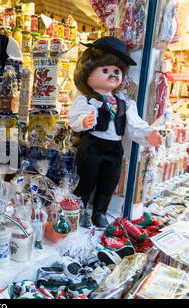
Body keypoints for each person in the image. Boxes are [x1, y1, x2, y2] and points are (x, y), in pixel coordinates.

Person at [69, 36, 162, 229]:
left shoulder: (124, 103)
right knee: (86, 181)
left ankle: (100, 212)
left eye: (116, 71)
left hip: (114, 149)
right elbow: (75, 120)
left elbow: (134, 125)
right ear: (87, 74)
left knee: (108, 182)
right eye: (105, 70)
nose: (112, 75)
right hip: (92, 146)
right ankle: (79, 210)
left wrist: (148, 134)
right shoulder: (85, 100)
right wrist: (84, 122)